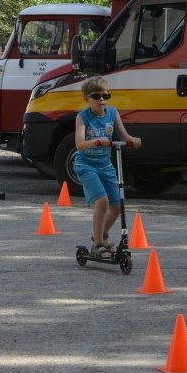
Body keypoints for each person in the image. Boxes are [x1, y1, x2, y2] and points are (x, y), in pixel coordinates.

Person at [74, 76, 142, 257]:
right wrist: (96, 141)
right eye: (96, 96)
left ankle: (101, 235)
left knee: (116, 206)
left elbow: (124, 136)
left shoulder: (113, 113)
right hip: (86, 165)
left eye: (105, 96)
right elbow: (79, 145)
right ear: (87, 98)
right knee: (102, 202)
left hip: (105, 166)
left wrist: (132, 141)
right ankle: (97, 244)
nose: (102, 100)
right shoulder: (82, 117)